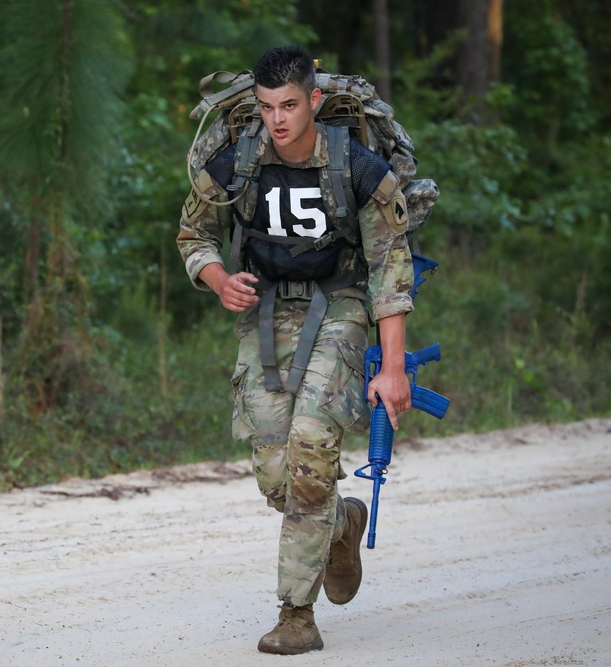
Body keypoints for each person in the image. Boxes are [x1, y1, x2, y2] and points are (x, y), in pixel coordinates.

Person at [176, 45, 414, 655]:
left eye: (289, 104)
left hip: (339, 305)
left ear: (313, 100)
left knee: (310, 446)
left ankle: (295, 614)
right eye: (266, 107)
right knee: (279, 478)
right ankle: (341, 523)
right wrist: (218, 279)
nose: (278, 119)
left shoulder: (357, 166)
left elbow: (390, 268)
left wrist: (390, 370)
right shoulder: (240, 160)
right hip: (264, 310)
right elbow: (193, 233)